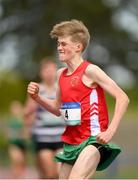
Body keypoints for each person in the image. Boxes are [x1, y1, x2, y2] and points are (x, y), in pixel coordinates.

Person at [27, 19, 129, 179]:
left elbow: (123, 97)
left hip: (93, 140)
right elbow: (56, 108)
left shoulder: (91, 70)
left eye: (63, 44)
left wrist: (110, 130)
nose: (59, 47)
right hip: (71, 142)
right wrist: (37, 97)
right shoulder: (60, 74)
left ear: (78, 46)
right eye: (58, 44)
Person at [24, 60, 65, 179]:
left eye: (52, 70)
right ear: (41, 73)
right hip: (42, 137)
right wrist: (35, 102)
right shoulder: (36, 89)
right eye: (46, 70)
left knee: (60, 172)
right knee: (49, 174)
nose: (49, 73)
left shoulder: (61, 88)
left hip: (60, 136)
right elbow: (27, 113)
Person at [7, 100, 27, 179]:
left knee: (21, 163)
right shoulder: (11, 120)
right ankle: (14, 177)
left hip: (23, 144)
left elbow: (26, 132)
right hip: (13, 144)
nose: (15, 110)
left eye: (17, 108)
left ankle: (19, 176)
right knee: (16, 160)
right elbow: (9, 133)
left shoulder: (23, 120)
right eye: (14, 108)